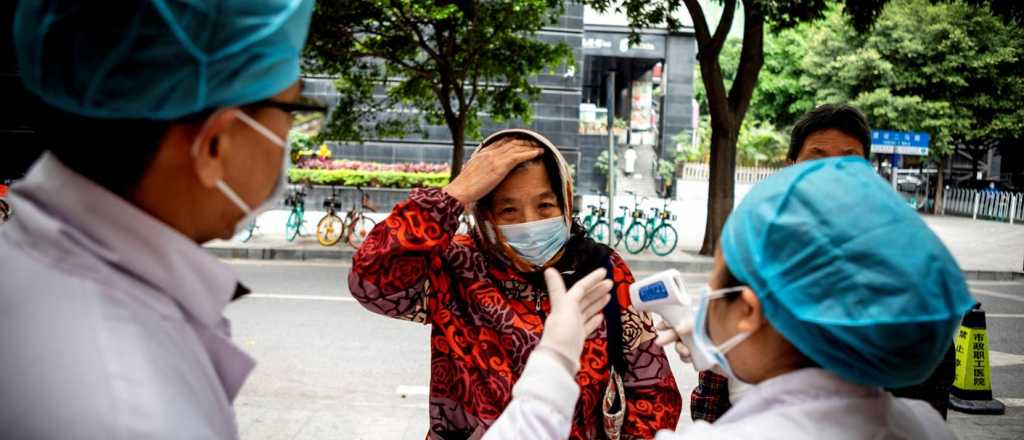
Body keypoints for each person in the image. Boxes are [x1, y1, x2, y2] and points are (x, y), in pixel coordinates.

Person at [0, 1, 319, 438]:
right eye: (293, 113)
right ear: (213, 146)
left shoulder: (23, 264)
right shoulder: (129, 416)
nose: (288, 141)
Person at [484, 156, 974, 439]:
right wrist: (731, 360)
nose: (707, 297)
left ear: (748, 311)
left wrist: (554, 359)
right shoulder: (925, 428)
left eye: (719, 280)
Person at [349, 128, 682, 439]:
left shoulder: (602, 270)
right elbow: (371, 281)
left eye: (545, 205)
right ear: (483, 214)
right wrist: (455, 194)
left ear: (565, 202)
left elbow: (653, 388)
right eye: (508, 210)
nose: (530, 222)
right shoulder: (455, 266)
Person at [691, 103, 957, 422]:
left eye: (848, 162)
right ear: (790, 167)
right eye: (816, 159)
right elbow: (713, 391)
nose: (831, 175)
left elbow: (924, 379)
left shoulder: (894, 264)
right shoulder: (754, 241)